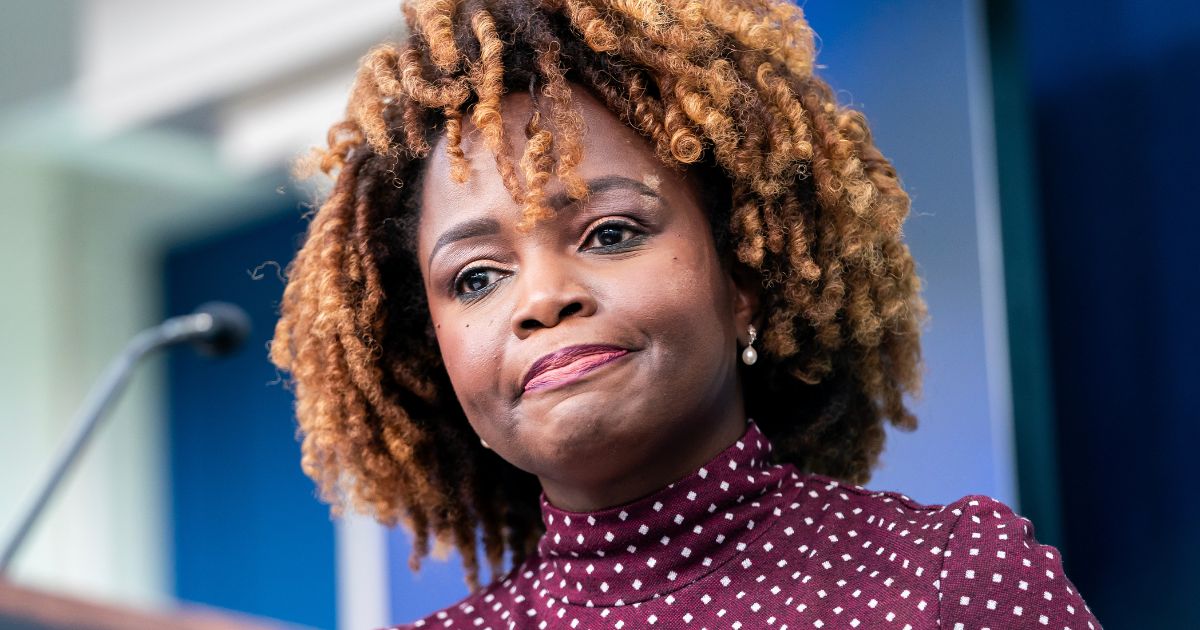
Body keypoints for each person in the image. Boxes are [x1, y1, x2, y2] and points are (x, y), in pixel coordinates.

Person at [269, 0, 1101, 627]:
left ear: (742, 271)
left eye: (611, 232)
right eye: (478, 278)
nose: (542, 298)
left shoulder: (951, 580)